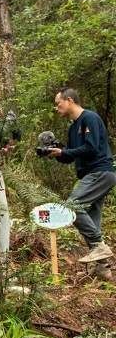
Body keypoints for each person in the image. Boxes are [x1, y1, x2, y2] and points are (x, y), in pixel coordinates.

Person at [47, 87, 115, 265]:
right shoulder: (73, 128)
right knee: (92, 220)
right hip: (90, 175)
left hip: (99, 172)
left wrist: (65, 151)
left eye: (58, 103)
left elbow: (91, 148)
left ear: (69, 100)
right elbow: (71, 156)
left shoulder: (89, 118)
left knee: (72, 206)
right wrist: (57, 153)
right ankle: (103, 267)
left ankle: (99, 245)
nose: (57, 107)